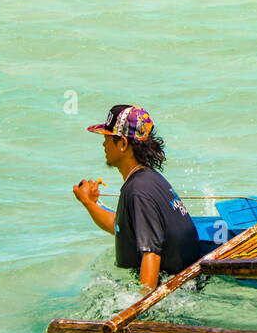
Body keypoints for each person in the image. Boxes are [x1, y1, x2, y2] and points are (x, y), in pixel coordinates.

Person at [73, 104, 203, 293]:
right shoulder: (148, 178)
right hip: (185, 282)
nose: (103, 144)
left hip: (171, 293)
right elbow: (121, 228)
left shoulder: (137, 190)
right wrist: (89, 203)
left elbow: (151, 254)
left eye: (107, 138)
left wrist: (139, 306)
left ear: (123, 144)